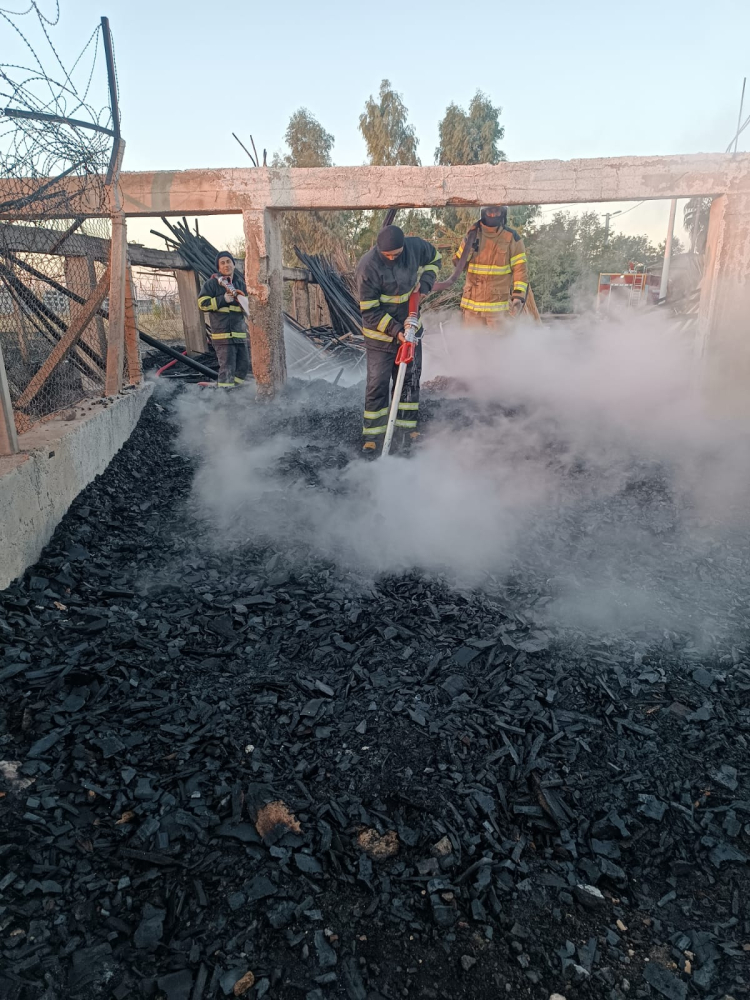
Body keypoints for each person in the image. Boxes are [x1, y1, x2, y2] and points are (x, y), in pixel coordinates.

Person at [356, 225, 441, 454]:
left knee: (409, 382)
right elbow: (370, 312)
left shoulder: (415, 247)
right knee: (377, 384)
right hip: (380, 337)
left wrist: (425, 283)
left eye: (397, 253)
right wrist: (396, 330)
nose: (393, 258)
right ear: (379, 250)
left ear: (404, 246)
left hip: (411, 331)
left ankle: (406, 428)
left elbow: (435, 258)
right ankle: (373, 435)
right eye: (388, 255)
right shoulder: (368, 267)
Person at [456, 206, 539, 328]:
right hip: (472, 311)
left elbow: (520, 271)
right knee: (471, 346)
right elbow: (458, 265)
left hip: (498, 311)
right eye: (490, 211)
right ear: (484, 212)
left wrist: (518, 297)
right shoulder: (473, 234)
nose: (493, 215)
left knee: (498, 346)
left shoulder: (512, 238)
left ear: (502, 213)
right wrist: (468, 248)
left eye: (497, 211)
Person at [197, 251, 251, 388]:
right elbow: (202, 304)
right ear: (219, 267)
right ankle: (224, 399)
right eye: (223, 263)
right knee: (227, 369)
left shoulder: (240, 284)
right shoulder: (212, 284)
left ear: (234, 264)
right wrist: (223, 299)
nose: (226, 265)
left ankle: (236, 392)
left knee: (243, 367)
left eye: (228, 261)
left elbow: (248, 306)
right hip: (223, 336)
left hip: (240, 335)